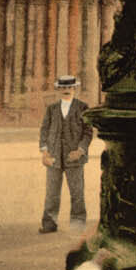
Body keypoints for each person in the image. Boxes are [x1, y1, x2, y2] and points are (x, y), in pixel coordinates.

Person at [38, 74, 93, 234]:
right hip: (54, 156)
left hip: (74, 156)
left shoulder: (82, 107)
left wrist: (81, 150)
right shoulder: (52, 108)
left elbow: (88, 132)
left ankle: (77, 224)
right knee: (52, 193)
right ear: (58, 90)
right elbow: (44, 130)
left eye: (69, 88)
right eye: (63, 88)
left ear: (75, 89)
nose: (66, 91)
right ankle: (49, 224)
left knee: (77, 191)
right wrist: (44, 151)